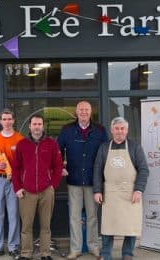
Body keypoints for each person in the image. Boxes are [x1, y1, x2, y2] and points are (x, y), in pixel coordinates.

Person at [57, 101, 108, 259]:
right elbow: (57, 151)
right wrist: (60, 166)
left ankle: (94, 247)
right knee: (74, 216)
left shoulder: (100, 130)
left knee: (92, 216)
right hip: (74, 180)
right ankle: (76, 249)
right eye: (81, 110)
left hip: (94, 181)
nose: (84, 112)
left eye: (86, 109)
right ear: (76, 112)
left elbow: (106, 152)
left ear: (90, 112)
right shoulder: (67, 130)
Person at [93, 117, 149, 260]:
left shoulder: (135, 147)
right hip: (110, 192)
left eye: (122, 128)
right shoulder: (104, 147)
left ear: (127, 130)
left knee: (130, 226)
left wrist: (139, 190)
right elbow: (97, 170)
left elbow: (143, 170)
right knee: (108, 226)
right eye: (117, 129)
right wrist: (97, 190)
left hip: (130, 192)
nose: (119, 132)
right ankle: (106, 254)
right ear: (112, 130)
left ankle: (127, 254)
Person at [12, 115, 63, 260]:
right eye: (34, 124)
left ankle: (45, 253)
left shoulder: (51, 144)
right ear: (29, 126)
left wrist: (53, 185)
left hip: (46, 191)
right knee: (26, 226)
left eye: (39, 124)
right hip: (26, 192)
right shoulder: (22, 144)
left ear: (43, 126)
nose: (37, 127)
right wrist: (18, 188)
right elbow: (15, 168)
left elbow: (58, 166)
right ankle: (26, 253)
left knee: (45, 225)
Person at [0, 109, 24, 259]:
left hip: (14, 180)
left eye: (9, 119)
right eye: (4, 119)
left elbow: (24, 162)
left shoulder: (20, 139)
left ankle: (13, 247)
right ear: (0, 121)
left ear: (13, 120)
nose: (7, 122)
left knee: (14, 214)